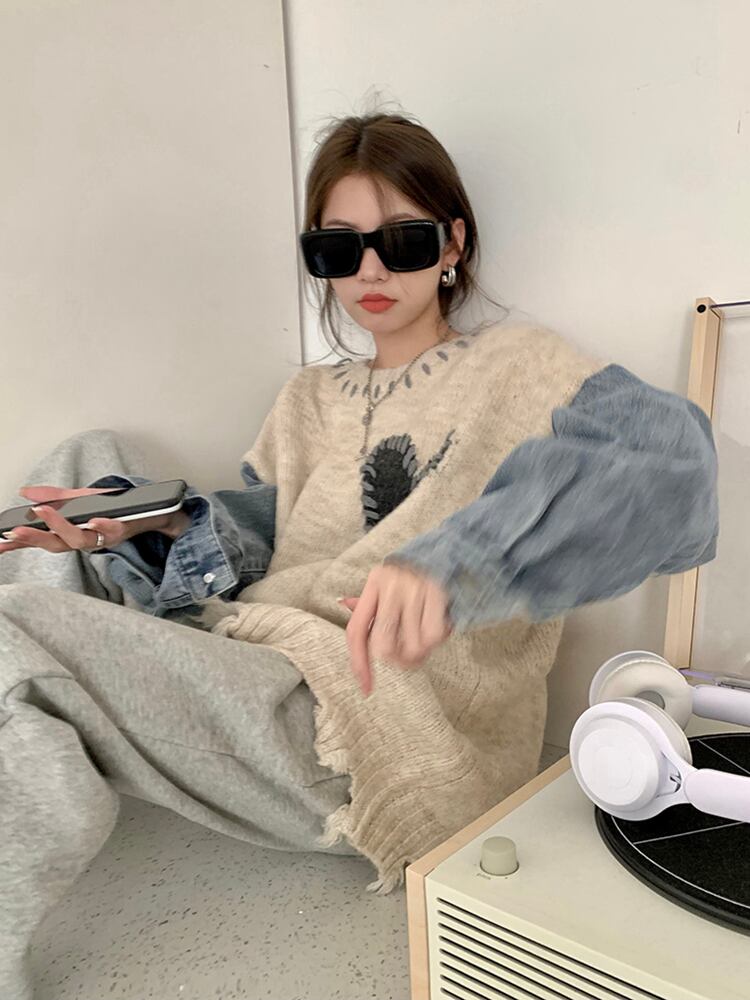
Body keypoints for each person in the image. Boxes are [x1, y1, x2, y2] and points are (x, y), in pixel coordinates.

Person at [0, 112, 718, 999]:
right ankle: (32, 765)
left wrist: (455, 561)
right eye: (339, 249)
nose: (371, 271)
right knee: (86, 459)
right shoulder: (305, 396)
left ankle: (33, 754)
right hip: (263, 649)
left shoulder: (521, 364)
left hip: (370, 712)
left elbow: (674, 459)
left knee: (12, 627)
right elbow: (271, 540)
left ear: (453, 243)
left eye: (403, 241)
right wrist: (149, 531)